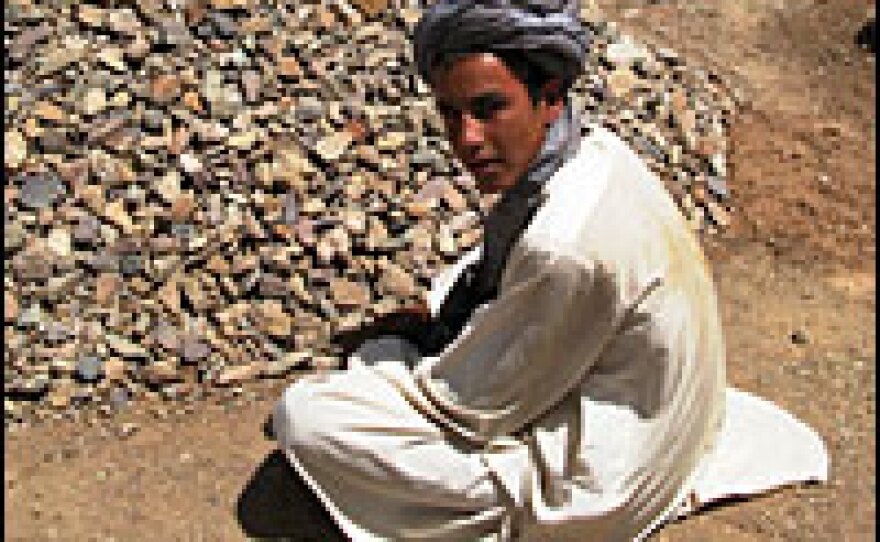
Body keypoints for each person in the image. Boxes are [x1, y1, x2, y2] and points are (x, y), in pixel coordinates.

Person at [271, 1, 829, 540]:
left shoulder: (561, 248)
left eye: (489, 109)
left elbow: (470, 408)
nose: (466, 139)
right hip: (660, 415)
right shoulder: (597, 151)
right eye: (450, 113)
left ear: (550, 97)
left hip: (602, 485)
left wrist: (387, 364)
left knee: (308, 417)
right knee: (451, 294)